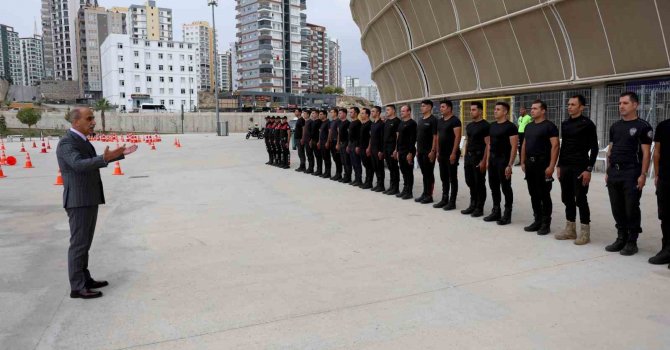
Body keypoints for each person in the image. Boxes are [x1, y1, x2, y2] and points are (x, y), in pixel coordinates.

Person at [56, 107, 138, 299]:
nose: (93, 122)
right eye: (89, 118)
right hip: (79, 200)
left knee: (85, 243)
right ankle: (77, 287)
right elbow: (78, 165)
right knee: (79, 244)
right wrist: (105, 158)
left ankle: (85, 278)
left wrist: (117, 155)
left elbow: (90, 161)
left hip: (87, 198)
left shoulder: (81, 140)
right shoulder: (67, 142)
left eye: (93, 118)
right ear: (76, 122)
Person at [605, 92, 653, 256]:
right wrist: (607, 170)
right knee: (616, 207)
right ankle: (621, 237)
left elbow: (646, 154)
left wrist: (643, 174)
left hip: (632, 172)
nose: (621, 106)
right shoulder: (615, 126)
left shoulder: (643, 126)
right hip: (614, 172)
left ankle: (632, 241)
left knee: (631, 207)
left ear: (635, 105)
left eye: (625, 103)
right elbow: (611, 149)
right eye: (620, 103)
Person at [555, 95, 598, 244]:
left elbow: (595, 148)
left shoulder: (588, 124)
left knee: (580, 198)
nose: (569, 107)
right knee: (566, 198)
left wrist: (589, 169)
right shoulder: (565, 123)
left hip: (580, 166)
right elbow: (564, 146)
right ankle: (570, 230)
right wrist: (559, 165)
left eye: (573, 104)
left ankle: (585, 233)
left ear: (581, 107)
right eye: (568, 104)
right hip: (565, 166)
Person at [521, 100, 560, 235]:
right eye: (531, 108)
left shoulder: (550, 126)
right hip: (530, 164)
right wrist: (522, 162)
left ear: (543, 111)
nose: (532, 110)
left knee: (544, 194)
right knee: (533, 194)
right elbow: (524, 144)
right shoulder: (529, 126)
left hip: (543, 164)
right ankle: (537, 220)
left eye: (535, 108)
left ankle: (545, 223)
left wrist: (551, 166)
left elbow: (555, 146)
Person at [484, 102, 518, 225]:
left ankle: (507, 214)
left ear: (505, 112)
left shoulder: (510, 127)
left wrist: (510, 165)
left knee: (505, 187)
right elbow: (489, 145)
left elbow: (514, 147)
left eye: (498, 109)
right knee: (493, 186)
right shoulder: (492, 126)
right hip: (493, 160)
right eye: (495, 109)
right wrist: (488, 160)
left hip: (503, 160)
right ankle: (496, 211)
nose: (495, 111)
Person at [462, 102, 490, 217]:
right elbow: (468, 141)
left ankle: (479, 207)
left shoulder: (485, 126)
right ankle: (472, 204)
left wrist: (484, 161)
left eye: (473, 110)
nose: (471, 112)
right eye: (471, 109)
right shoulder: (469, 126)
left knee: (479, 182)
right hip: (469, 157)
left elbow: (488, 144)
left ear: (480, 111)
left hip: (479, 157)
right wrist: (465, 155)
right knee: (470, 181)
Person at [434, 100, 461, 210]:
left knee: (452, 178)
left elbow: (457, 137)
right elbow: (439, 137)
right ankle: (444, 199)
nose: (441, 109)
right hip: (442, 154)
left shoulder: (455, 121)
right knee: (443, 177)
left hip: (451, 154)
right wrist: (438, 151)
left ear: (449, 108)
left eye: (443, 107)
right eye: (440, 107)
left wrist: (454, 153)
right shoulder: (440, 121)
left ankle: (452, 201)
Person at [650, 117, 670, 265]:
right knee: (665, 215)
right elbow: (657, 152)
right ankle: (666, 250)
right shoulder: (663, 126)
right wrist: (657, 175)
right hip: (665, 178)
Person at [415, 100, 439, 204]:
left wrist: (433, 151)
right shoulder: (420, 120)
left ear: (429, 107)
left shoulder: (433, 120)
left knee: (429, 173)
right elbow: (419, 137)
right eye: (421, 106)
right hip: (420, 151)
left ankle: (429, 195)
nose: (422, 108)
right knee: (424, 173)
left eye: (424, 106)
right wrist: (417, 150)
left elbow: (435, 137)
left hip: (428, 151)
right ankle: (424, 193)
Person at [395, 105, 417, 200]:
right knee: (403, 171)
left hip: (408, 151)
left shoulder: (412, 123)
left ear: (409, 112)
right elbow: (398, 138)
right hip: (401, 150)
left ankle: (409, 192)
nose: (402, 113)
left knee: (408, 171)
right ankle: (405, 189)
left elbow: (413, 139)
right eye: (401, 111)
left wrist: (410, 153)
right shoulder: (401, 123)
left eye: (404, 111)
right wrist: (396, 150)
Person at [383, 105, 401, 195]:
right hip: (386, 147)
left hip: (392, 147)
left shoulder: (397, 121)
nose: (386, 111)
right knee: (390, 167)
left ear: (393, 111)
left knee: (394, 167)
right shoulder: (387, 121)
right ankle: (391, 186)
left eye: (388, 110)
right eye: (386, 110)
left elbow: (398, 137)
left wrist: (396, 149)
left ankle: (396, 188)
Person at [368, 106, 385, 192]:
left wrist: (381, 151)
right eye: (371, 111)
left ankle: (381, 185)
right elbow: (371, 137)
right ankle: (378, 183)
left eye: (373, 111)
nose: (372, 113)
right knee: (375, 167)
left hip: (378, 149)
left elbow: (382, 138)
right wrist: (369, 147)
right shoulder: (373, 123)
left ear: (378, 113)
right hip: (373, 149)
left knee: (380, 167)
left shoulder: (381, 124)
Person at [359, 108, 373, 189]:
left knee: (369, 166)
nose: (361, 115)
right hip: (361, 147)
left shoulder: (370, 124)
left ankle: (369, 182)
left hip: (366, 148)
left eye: (363, 113)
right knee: (365, 165)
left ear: (367, 114)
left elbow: (371, 137)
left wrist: (368, 147)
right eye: (361, 113)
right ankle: (366, 181)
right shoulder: (362, 124)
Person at [348, 107, 363, 186]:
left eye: (351, 112)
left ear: (356, 113)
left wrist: (357, 146)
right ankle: (356, 178)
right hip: (351, 144)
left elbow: (358, 136)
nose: (350, 114)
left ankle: (359, 179)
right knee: (353, 162)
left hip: (355, 144)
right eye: (349, 112)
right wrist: (348, 145)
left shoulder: (358, 123)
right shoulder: (351, 122)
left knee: (357, 163)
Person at [337, 108, 352, 183]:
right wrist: (338, 143)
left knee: (347, 161)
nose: (339, 115)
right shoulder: (340, 123)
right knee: (343, 161)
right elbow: (339, 134)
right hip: (341, 143)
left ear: (345, 114)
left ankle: (348, 177)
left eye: (340, 113)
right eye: (338, 113)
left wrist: (348, 145)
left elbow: (349, 135)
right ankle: (345, 175)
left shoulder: (347, 123)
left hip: (346, 143)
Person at [328, 108, 342, 181]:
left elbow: (339, 133)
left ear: (336, 113)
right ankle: (337, 173)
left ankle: (339, 174)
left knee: (337, 159)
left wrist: (338, 143)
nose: (330, 113)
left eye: (332, 112)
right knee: (334, 158)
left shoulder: (338, 121)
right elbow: (330, 132)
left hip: (336, 141)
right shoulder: (331, 121)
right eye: (330, 112)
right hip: (332, 142)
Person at [318, 110, 332, 178]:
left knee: (327, 158)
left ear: (325, 115)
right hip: (322, 142)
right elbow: (320, 133)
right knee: (324, 157)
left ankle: (328, 172)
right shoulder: (322, 123)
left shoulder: (328, 122)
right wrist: (319, 142)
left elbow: (329, 132)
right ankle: (326, 172)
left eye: (321, 114)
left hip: (325, 142)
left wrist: (327, 142)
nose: (319, 115)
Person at [310, 110, 323, 176]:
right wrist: (311, 140)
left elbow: (320, 132)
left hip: (317, 141)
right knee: (316, 156)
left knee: (319, 156)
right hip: (313, 140)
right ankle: (318, 169)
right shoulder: (313, 122)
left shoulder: (319, 122)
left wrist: (319, 141)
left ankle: (319, 170)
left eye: (313, 113)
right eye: (312, 113)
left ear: (317, 114)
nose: (312, 114)